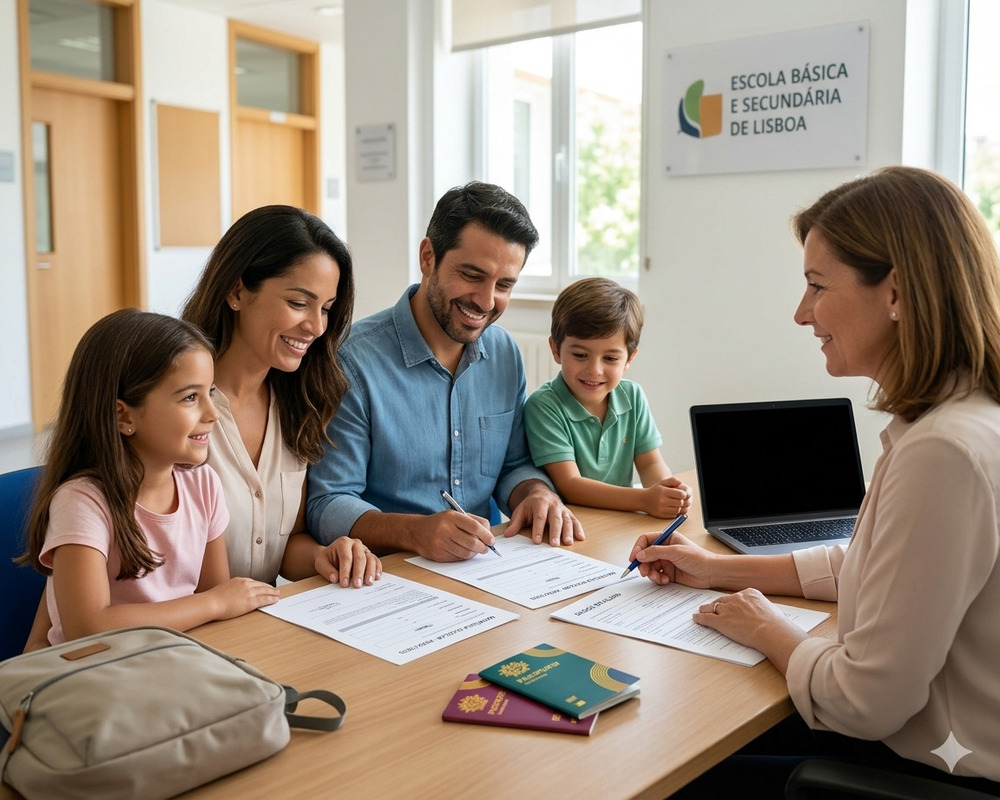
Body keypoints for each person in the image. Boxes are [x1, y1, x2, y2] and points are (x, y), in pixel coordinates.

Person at [629, 166, 1000, 795]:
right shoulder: (965, 419)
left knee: (662, 766)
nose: (802, 313)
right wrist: (719, 570)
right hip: (936, 746)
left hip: (935, 771)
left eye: (816, 286)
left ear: (898, 293)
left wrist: (765, 626)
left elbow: (863, 702)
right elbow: (873, 564)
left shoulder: (943, 454)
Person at [306, 181, 584, 562]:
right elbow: (327, 503)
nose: (486, 301)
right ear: (427, 257)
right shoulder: (352, 361)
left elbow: (514, 465)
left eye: (504, 284)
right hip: (385, 576)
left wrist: (536, 493)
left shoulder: (504, 354)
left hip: (483, 568)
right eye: (472, 275)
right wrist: (415, 532)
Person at [19, 309, 281, 646]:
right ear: (122, 415)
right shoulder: (82, 501)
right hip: (94, 675)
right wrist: (213, 604)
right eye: (190, 397)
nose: (213, 413)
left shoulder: (204, 486)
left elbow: (218, 609)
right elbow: (88, 629)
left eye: (210, 393)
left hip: (167, 662)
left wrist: (216, 604)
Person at [182, 205, 381, 588]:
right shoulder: (175, 405)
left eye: (325, 308)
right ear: (237, 291)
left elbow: (285, 545)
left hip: (253, 625)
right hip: (182, 631)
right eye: (298, 303)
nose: (316, 326)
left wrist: (326, 555)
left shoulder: (299, 402)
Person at [524, 277, 692, 518]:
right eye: (580, 355)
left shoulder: (632, 396)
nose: (595, 370)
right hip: (567, 528)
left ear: (630, 359)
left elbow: (650, 464)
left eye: (611, 358)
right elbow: (570, 485)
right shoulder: (544, 406)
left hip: (618, 522)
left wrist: (669, 490)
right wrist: (645, 500)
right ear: (555, 349)